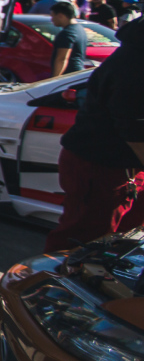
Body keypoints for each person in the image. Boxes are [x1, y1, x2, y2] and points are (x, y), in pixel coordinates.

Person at [44, 18, 144, 252]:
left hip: (126, 167)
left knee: (123, 245)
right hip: (100, 165)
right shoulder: (134, 63)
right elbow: (134, 128)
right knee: (82, 244)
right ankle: (50, 286)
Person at [49, 0, 88, 77]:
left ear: (60, 15)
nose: (52, 19)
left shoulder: (67, 33)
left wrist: (54, 80)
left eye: (53, 16)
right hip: (78, 73)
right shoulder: (79, 29)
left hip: (69, 76)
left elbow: (62, 59)